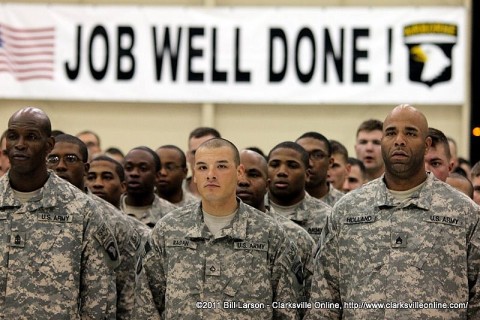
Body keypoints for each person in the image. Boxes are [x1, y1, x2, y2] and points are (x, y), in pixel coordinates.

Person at [306, 104, 480, 319]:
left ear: (426, 145)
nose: (399, 140)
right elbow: (324, 299)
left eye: (410, 133)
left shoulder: (463, 212)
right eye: (391, 133)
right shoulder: (347, 210)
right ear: (382, 143)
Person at [136, 138, 303, 319]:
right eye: (202, 167)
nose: (211, 174)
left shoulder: (270, 233)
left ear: (239, 172)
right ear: (194, 174)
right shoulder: (168, 229)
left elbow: (287, 308)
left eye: (221, 166)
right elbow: (147, 304)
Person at [0, 107, 118, 318]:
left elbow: (99, 297)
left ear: (48, 146)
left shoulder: (81, 209)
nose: (19, 144)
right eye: (12, 136)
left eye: (31, 137)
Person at [46, 134, 145, 319]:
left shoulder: (113, 220)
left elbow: (128, 294)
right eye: (53, 158)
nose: (60, 165)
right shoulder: (29, 210)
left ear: (85, 169)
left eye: (70, 159)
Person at [236, 149, 315, 308]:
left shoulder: (295, 237)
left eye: (253, 174)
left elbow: (313, 303)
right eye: (236, 174)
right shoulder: (206, 232)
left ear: (267, 185)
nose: (243, 181)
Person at [267, 141, 332, 243]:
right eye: (274, 165)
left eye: (292, 166)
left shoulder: (327, 217)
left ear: (307, 174)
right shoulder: (253, 209)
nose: (282, 172)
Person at [120, 146, 176, 227]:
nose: (134, 173)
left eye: (143, 168)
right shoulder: (109, 211)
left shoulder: (173, 216)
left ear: (157, 176)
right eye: (129, 168)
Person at [296, 132, 343, 206]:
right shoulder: (278, 201)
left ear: (330, 162)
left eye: (317, 155)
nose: (309, 163)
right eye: (302, 155)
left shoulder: (344, 204)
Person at [184, 127, 221, 197]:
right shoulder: (172, 193)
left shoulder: (233, 192)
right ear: (187, 156)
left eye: (207, 151)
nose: (200, 158)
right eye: (195, 152)